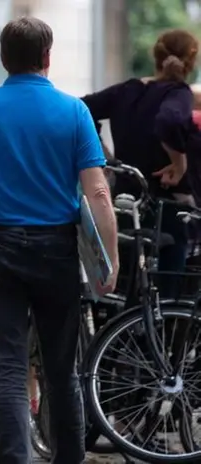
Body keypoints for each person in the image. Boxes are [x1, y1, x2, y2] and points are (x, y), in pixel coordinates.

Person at [0, 17, 118, 463]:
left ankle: (14, 458)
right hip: (55, 249)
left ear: (3, 59)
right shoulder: (73, 111)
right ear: (47, 58)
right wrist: (108, 258)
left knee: (10, 367)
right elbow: (97, 192)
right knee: (61, 372)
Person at [82, 29, 198, 299]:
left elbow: (82, 108)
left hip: (125, 201)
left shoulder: (128, 90)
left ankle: (122, 337)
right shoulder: (177, 93)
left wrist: (104, 157)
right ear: (191, 62)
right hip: (165, 208)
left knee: (126, 286)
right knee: (170, 296)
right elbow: (168, 122)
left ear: (156, 56)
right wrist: (178, 164)